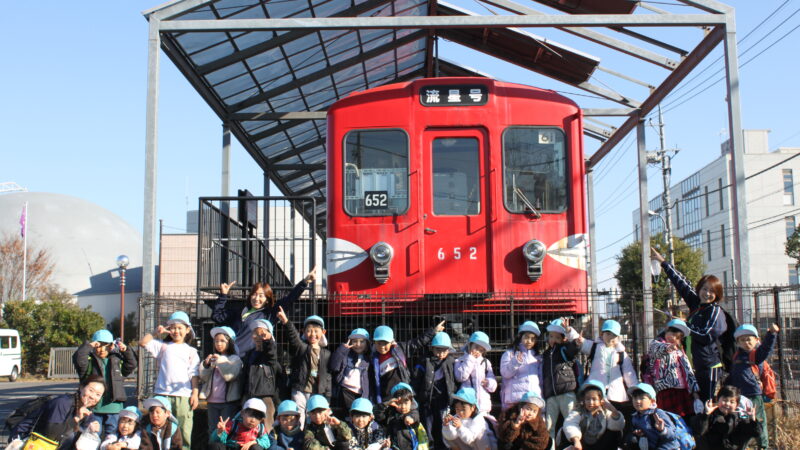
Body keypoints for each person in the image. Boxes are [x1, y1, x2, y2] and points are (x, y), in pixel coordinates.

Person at [652, 248, 729, 402]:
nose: (707, 293)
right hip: (694, 366)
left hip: (709, 367)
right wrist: (664, 263)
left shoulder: (715, 311)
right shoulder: (698, 306)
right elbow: (682, 284)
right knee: (695, 404)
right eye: (704, 289)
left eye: (712, 291)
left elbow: (706, 336)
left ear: (717, 294)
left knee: (707, 404)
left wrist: (685, 325)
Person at [212, 267, 317, 357]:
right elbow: (217, 316)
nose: (256, 298)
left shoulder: (269, 314)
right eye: (254, 294)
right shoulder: (241, 311)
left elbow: (289, 299)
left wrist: (305, 281)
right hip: (233, 357)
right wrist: (223, 295)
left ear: (267, 299)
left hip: (251, 359)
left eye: (261, 295)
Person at [139, 311, 201, 450]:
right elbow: (143, 342)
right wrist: (156, 332)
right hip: (162, 394)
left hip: (183, 395)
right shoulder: (162, 346)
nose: (176, 331)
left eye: (180, 327)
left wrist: (195, 394)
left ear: (187, 330)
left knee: (184, 429)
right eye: (173, 327)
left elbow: (194, 374)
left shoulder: (191, 351)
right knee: (160, 428)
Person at [9, 375, 106, 449]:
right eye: (91, 390)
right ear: (81, 387)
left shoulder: (86, 409)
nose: (93, 396)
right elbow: (52, 433)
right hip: (27, 441)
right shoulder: (63, 403)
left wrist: (93, 425)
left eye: (98, 394)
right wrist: (77, 419)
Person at [73, 329, 137, 437]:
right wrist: (89, 345)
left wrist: (125, 350)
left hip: (114, 407)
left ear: (111, 346)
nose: (102, 349)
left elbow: (132, 364)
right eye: (98, 345)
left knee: (112, 436)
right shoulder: (89, 362)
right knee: (91, 436)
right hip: (93, 407)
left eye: (106, 346)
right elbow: (78, 358)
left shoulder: (117, 360)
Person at [577, 319, 638, 430]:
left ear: (618, 337)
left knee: (613, 419)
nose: (610, 337)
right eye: (608, 334)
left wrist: (635, 390)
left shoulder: (621, 353)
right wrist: (569, 331)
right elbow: (582, 342)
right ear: (602, 334)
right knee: (597, 418)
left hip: (615, 394)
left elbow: (629, 374)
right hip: (596, 391)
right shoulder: (595, 347)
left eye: (614, 335)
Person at [725, 323, 778, 449]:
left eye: (749, 339)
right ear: (738, 342)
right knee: (741, 422)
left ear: (756, 340)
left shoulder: (756, 355)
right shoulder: (737, 355)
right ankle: (741, 446)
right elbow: (733, 374)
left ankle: (763, 445)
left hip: (753, 395)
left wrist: (771, 334)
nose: (746, 342)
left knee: (758, 421)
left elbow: (766, 349)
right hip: (739, 396)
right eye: (742, 340)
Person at [276, 308, 331, 425]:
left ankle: (312, 438)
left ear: (323, 332)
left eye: (316, 331)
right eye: (309, 331)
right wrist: (286, 322)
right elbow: (294, 338)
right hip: (300, 389)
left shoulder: (326, 353)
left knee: (315, 417)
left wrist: (328, 395)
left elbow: (327, 376)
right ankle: (299, 437)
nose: (313, 334)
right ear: (304, 332)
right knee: (299, 415)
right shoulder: (302, 348)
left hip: (317, 391)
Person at [370, 321, 444, 404]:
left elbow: (418, 342)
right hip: (386, 397)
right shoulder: (372, 358)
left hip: (403, 394)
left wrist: (433, 332)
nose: (382, 347)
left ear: (391, 342)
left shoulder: (400, 349)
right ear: (374, 342)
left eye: (385, 343)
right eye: (379, 343)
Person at [643, 319, 702, 418]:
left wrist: (695, 394)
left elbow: (689, 373)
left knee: (685, 418)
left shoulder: (680, 352)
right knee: (668, 418)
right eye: (672, 333)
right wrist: (668, 348)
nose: (674, 337)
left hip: (683, 391)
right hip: (665, 390)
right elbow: (658, 350)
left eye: (678, 336)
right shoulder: (656, 344)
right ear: (666, 331)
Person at [412, 331, 456, 449]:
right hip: (427, 400)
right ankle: (429, 446)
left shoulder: (451, 361)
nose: (441, 354)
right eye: (438, 350)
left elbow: (454, 380)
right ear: (432, 349)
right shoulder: (424, 361)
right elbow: (416, 379)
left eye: (444, 350)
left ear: (449, 350)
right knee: (428, 426)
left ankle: (442, 446)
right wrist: (415, 397)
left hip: (444, 399)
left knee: (442, 426)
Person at [200, 326, 244, 442]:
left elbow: (230, 376)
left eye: (222, 341)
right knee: (212, 429)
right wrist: (206, 365)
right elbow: (203, 377)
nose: (218, 344)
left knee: (227, 430)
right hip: (212, 401)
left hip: (228, 403)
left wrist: (219, 361)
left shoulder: (235, 359)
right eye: (216, 341)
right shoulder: (213, 358)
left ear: (230, 342)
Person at [541, 318, 581, 441]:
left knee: (571, 422)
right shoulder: (546, 354)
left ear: (563, 339)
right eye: (551, 336)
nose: (553, 340)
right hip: (551, 395)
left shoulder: (564, 349)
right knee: (549, 426)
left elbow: (573, 348)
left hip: (566, 392)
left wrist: (569, 331)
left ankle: (576, 445)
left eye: (557, 337)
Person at [558, 380, 624, 450]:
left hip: (599, 445)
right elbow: (570, 423)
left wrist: (613, 410)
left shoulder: (605, 411)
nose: (591, 402)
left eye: (594, 399)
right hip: (581, 444)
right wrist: (576, 440)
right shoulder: (578, 410)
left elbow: (617, 426)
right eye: (588, 399)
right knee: (565, 431)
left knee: (616, 432)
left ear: (601, 400)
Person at [242, 319, 283, 430]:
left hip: (266, 395)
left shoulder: (271, 355)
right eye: (255, 333)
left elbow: (271, 352)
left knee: (267, 425)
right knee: (247, 425)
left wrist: (268, 340)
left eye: (262, 334)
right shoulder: (249, 354)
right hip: (250, 395)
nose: (258, 337)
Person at [690, 385, 759, 450]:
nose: (727, 404)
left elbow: (755, 433)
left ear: (737, 405)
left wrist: (752, 419)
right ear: (717, 399)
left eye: (732, 402)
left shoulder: (740, 417)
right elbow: (699, 431)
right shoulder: (710, 415)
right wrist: (706, 414)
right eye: (725, 400)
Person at [500, 321, 543, 411]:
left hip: (533, 400)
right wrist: (516, 362)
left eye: (533, 339)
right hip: (514, 401)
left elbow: (541, 380)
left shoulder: (537, 357)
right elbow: (505, 373)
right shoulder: (509, 354)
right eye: (526, 337)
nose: (529, 341)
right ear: (520, 336)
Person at [373, 383, 428, 450]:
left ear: (411, 402)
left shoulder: (413, 412)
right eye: (399, 403)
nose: (403, 407)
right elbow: (377, 414)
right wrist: (386, 404)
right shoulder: (391, 415)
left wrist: (409, 419)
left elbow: (415, 417)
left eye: (406, 403)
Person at [454, 331, 498, 415]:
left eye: (481, 350)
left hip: (483, 405)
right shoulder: (460, 360)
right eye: (476, 347)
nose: (478, 351)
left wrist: (489, 382)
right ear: (470, 345)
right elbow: (460, 377)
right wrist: (470, 359)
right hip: (466, 405)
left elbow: (493, 384)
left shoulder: (486, 362)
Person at [626, 383, 680, 450]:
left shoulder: (658, 414)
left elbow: (673, 435)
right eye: (635, 398)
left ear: (652, 401)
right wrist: (639, 434)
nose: (637, 401)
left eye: (642, 398)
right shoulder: (635, 417)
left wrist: (663, 430)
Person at [329, 328, 372, 410]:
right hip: (346, 390)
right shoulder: (345, 355)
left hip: (362, 393)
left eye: (362, 341)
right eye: (354, 341)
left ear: (367, 343)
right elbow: (333, 366)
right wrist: (343, 349)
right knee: (349, 414)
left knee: (359, 413)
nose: (358, 344)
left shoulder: (370, 358)